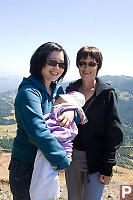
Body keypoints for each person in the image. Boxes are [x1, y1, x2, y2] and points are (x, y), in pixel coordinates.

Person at [8, 42, 75, 200]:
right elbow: (38, 132)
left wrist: (71, 111)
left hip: (45, 162)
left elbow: (75, 113)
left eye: (61, 64)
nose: (57, 68)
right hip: (27, 165)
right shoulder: (29, 93)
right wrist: (61, 159)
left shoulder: (56, 90)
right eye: (52, 62)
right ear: (40, 62)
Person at [65, 46, 123, 200]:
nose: (86, 67)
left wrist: (108, 167)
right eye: (82, 63)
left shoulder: (107, 94)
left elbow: (114, 131)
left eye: (92, 64)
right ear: (78, 65)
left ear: (98, 66)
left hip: (97, 159)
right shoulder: (71, 90)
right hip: (73, 157)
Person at [30, 91, 88, 200]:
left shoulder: (61, 114)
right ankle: (48, 195)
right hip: (53, 148)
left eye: (60, 100)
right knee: (49, 174)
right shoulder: (65, 114)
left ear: (67, 104)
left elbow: (66, 139)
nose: (55, 101)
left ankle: (41, 195)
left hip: (51, 147)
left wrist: (67, 157)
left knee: (44, 173)